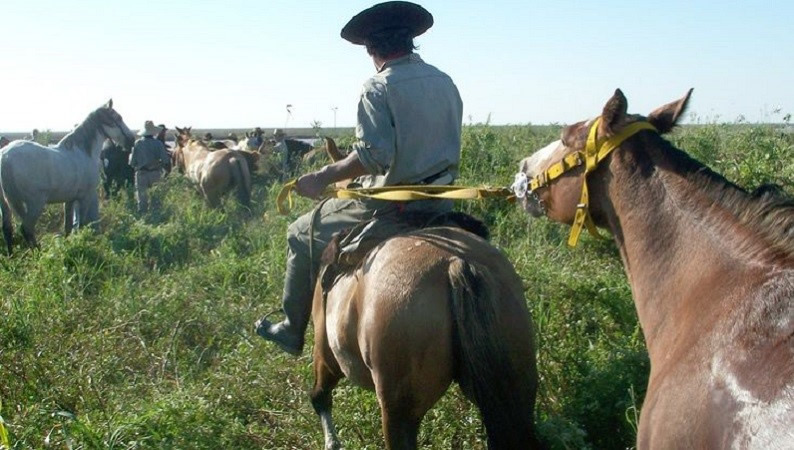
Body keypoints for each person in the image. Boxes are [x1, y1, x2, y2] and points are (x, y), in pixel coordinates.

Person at [255, 1, 463, 356]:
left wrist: (321, 176)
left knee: (298, 233)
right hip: (442, 200)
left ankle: (291, 329)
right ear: (411, 40)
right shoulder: (444, 81)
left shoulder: (378, 87)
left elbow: (373, 156)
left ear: (371, 48)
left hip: (393, 208)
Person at [129, 121, 170, 214]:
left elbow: (132, 162)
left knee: (141, 198)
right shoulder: (158, 144)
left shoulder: (137, 143)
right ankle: (156, 217)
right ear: (153, 132)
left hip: (141, 173)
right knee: (156, 199)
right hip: (155, 173)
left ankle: (143, 218)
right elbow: (165, 160)